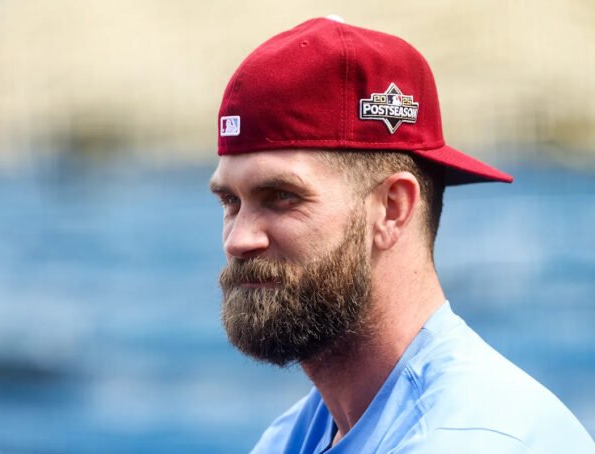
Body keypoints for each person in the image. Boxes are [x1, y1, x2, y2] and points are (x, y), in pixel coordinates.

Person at [209, 16, 595, 453]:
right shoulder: (294, 437)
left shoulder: (470, 439)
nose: (238, 240)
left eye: (281, 196)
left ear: (392, 209)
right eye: (230, 201)